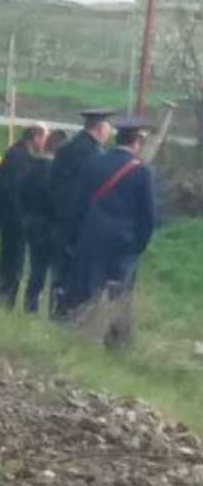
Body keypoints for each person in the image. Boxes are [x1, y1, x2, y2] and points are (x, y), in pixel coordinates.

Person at [66, 116, 157, 343]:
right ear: (136, 141)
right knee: (120, 294)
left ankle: (81, 334)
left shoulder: (95, 162)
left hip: (92, 236)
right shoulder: (142, 172)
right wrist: (139, 244)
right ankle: (115, 341)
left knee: (87, 290)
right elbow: (148, 215)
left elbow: (78, 203)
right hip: (124, 243)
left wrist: (75, 235)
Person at [49, 108, 116, 316]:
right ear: (99, 127)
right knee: (78, 274)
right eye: (108, 127)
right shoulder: (96, 155)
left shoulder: (65, 148)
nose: (110, 132)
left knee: (59, 272)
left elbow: (54, 183)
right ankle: (71, 314)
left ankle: (56, 311)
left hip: (59, 218)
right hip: (81, 222)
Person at [0, 123, 47, 306]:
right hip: (13, 221)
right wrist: (21, 220)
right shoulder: (19, 157)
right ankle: (5, 299)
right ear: (36, 137)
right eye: (44, 138)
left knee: (9, 260)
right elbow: (13, 191)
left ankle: (3, 297)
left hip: (11, 219)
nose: (45, 143)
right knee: (12, 262)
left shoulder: (18, 153)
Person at [15, 128, 64, 313]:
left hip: (31, 223)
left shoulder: (31, 167)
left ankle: (30, 304)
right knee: (54, 272)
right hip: (50, 226)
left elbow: (20, 193)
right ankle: (53, 309)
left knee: (36, 269)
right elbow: (57, 201)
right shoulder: (54, 173)